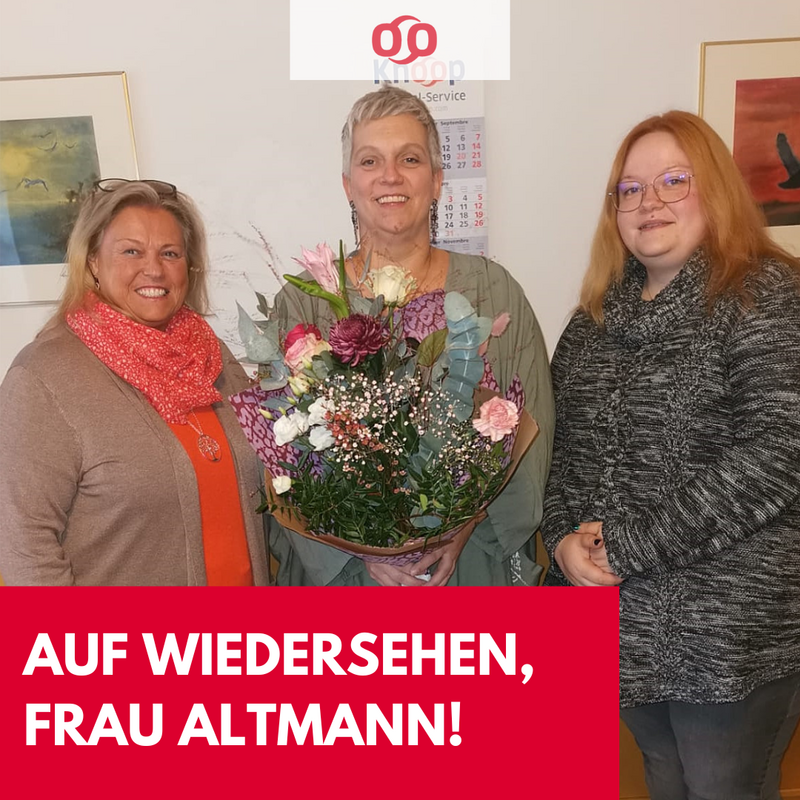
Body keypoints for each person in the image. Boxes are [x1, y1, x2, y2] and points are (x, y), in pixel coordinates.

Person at [541, 111, 800, 799]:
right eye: (629, 189)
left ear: (714, 191)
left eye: (673, 181)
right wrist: (563, 541)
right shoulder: (591, 323)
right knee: (663, 779)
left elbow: (778, 454)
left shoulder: (765, 297)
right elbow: (561, 455)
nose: (648, 202)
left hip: (729, 633)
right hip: (620, 627)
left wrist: (626, 546)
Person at [271, 84, 555, 586]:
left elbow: (535, 433)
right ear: (347, 185)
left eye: (409, 158)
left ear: (438, 180)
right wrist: (362, 550)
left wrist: (464, 527)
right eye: (370, 161)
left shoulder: (493, 292)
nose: (390, 176)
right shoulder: (304, 305)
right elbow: (276, 458)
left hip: (469, 569)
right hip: (348, 579)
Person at [0, 180, 269, 586]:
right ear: (93, 261)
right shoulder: (43, 377)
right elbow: (24, 547)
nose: (154, 269)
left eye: (170, 253)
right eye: (131, 251)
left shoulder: (213, 355)